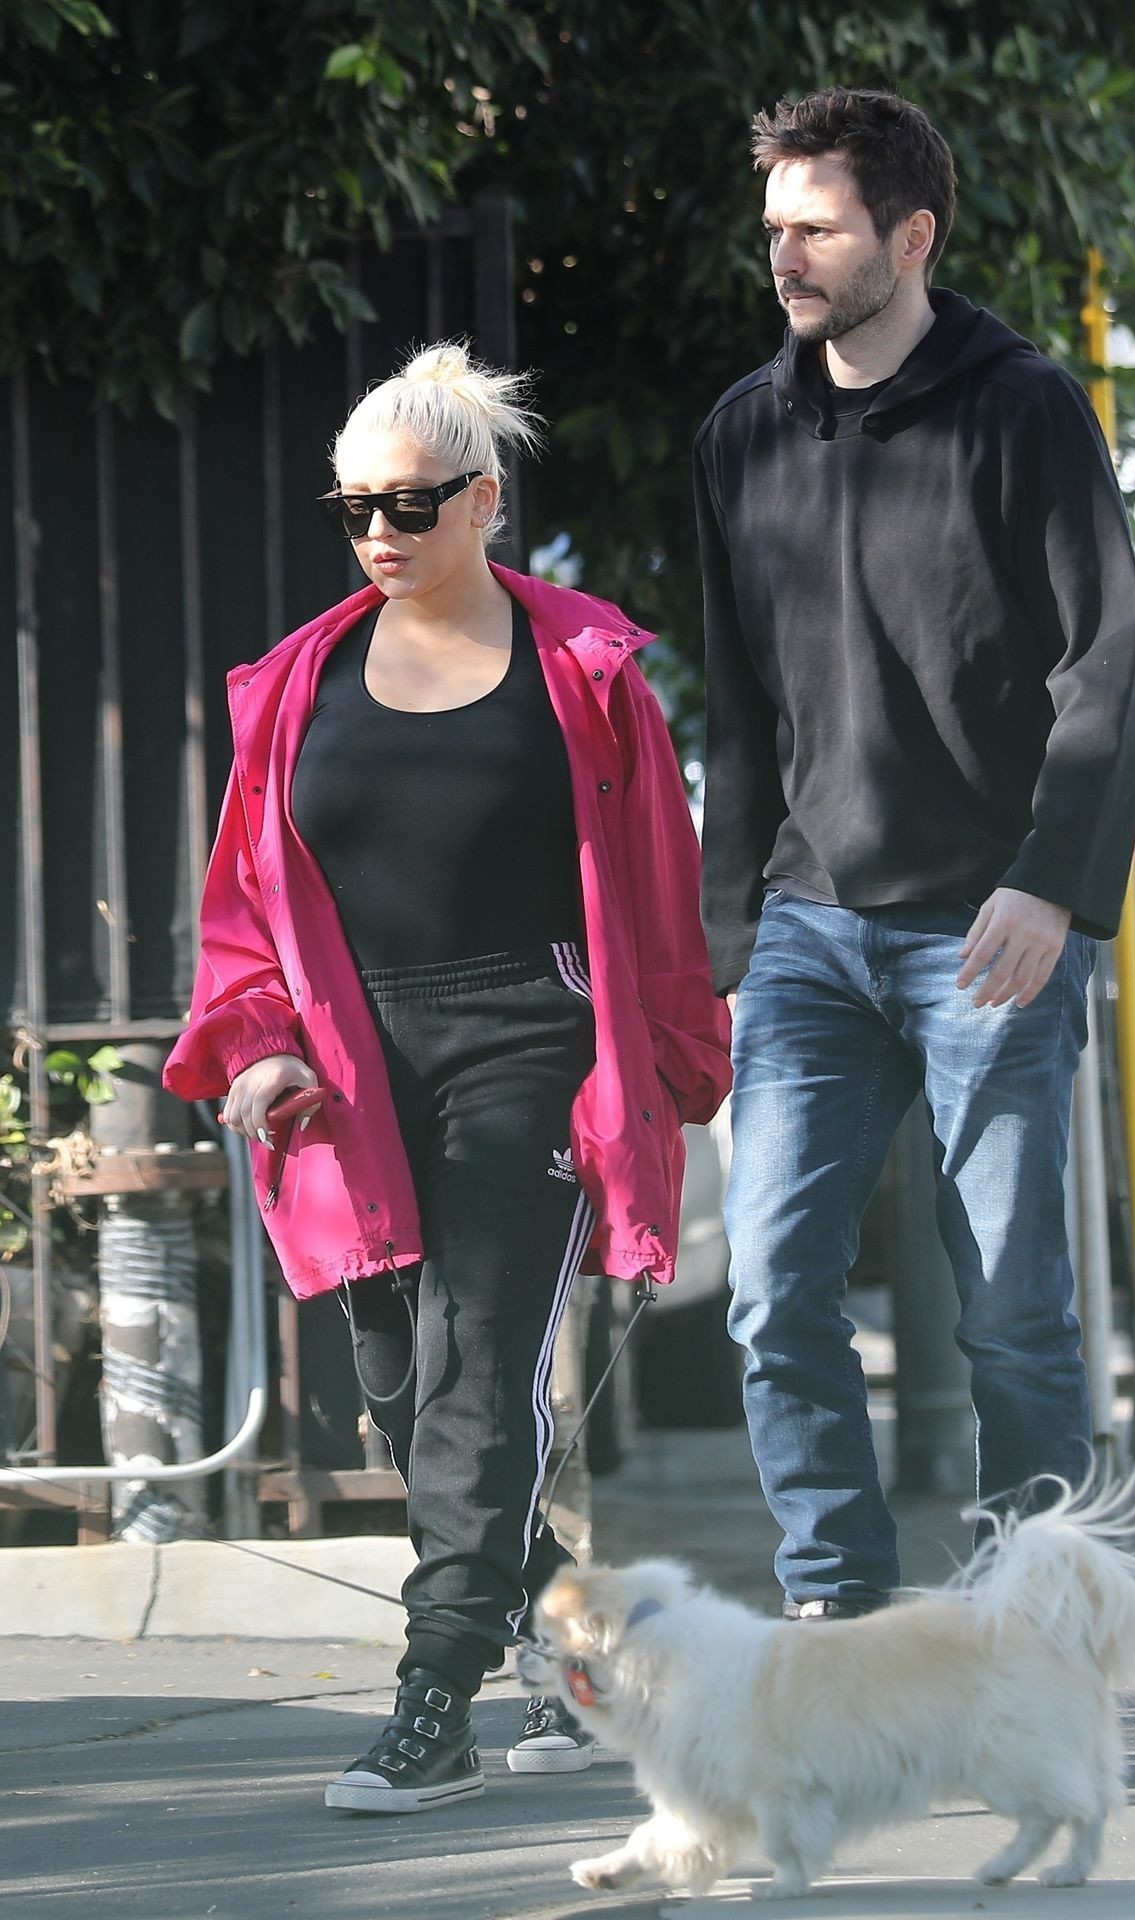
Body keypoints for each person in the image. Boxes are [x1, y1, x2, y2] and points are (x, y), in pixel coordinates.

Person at [165, 342, 730, 1811]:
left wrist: (673, 1059)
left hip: (532, 1036)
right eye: (354, 508)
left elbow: (658, 882)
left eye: (410, 505)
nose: (379, 533)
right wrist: (259, 1038)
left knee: (481, 1365)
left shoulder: (584, 673)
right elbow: (245, 902)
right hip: (355, 1061)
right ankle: (585, 1646)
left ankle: (435, 1696)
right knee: (405, 1395)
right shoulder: (298, 683)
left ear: (484, 502)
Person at [694, 88, 1135, 1621]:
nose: (786, 256)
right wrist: (725, 951)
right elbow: (739, 709)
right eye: (775, 228)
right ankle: (836, 1604)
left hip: (988, 933)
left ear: (911, 237)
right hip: (807, 936)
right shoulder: (741, 434)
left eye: (817, 228)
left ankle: (1034, 1617)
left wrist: (1051, 881)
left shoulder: (1023, 408)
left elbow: (1103, 665)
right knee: (771, 1290)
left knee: (1012, 1308)